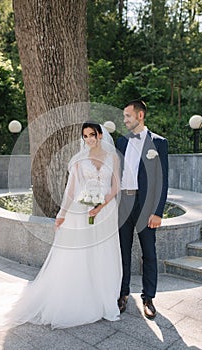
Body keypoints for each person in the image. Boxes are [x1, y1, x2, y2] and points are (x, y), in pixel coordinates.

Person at [0, 122, 122, 332]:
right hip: (81, 210)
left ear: (100, 135)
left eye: (92, 135)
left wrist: (100, 206)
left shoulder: (112, 157)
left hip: (106, 211)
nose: (89, 139)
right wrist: (62, 214)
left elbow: (116, 186)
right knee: (82, 253)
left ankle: (103, 297)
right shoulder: (78, 160)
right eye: (85, 136)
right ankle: (81, 297)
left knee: (102, 253)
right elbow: (71, 190)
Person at [116, 100, 168, 319]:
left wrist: (157, 212)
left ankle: (148, 298)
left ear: (140, 116)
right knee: (122, 252)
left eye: (128, 116)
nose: (125, 120)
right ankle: (123, 294)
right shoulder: (121, 142)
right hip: (123, 204)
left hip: (146, 206)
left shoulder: (159, 143)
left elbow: (162, 181)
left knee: (149, 253)